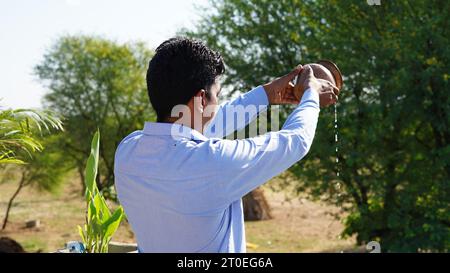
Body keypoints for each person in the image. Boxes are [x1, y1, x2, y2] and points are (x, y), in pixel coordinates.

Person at [114, 37, 339, 253]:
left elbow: (193, 125)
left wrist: (267, 95)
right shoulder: (213, 163)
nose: (217, 102)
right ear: (202, 99)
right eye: (216, 95)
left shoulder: (127, 152)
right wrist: (311, 95)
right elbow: (295, 140)